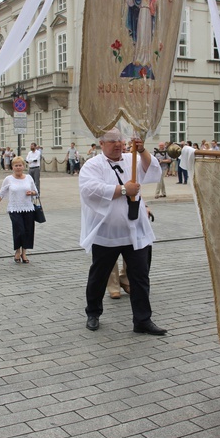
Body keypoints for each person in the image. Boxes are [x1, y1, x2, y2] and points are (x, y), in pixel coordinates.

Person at [79, 127, 166, 335]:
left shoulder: (131, 159)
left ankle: (142, 320)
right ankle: (93, 312)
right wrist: (123, 190)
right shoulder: (93, 165)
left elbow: (153, 171)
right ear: (101, 143)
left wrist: (143, 150)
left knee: (140, 277)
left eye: (120, 140)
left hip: (134, 231)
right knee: (99, 276)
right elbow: (90, 189)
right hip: (107, 233)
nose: (118, 144)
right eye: (112, 141)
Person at [0, 156, 37, 263]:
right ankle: (17, 251)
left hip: (28, 208)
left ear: (23, 166)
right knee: (19, 230)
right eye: (16, 166)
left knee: (28, 231)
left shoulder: (29, 178)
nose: (18, 168)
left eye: (20, 165)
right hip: (14, 209)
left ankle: (24, 253)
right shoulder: (8, 179)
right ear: (12, 167)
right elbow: (0, 194)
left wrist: (32, 193)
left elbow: (35, 191)